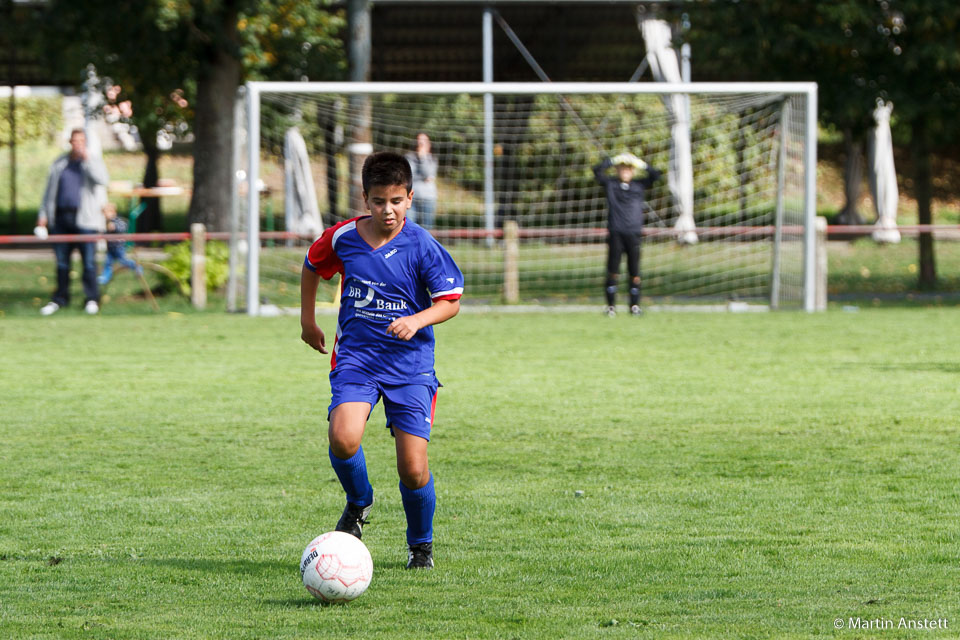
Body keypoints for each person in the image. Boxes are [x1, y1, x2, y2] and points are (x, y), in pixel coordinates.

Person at [300, 151, 464, 570]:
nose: (387, 210)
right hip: (357, 359)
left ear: (409, 198)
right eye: (378, 201)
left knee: (413, 469)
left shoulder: (422, 245)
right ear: (365, 199)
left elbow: (450, 301)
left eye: (395, 201)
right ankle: (359, 502)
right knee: (343, 437)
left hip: (410, 366)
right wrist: (307, 320)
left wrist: (417, 320)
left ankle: (420, 546)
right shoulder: (343, 237)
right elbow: (312, 265)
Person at [37, 128, 109, 316]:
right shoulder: (60, 163)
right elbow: (49, 191)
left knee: (89, 262)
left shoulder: (92, 161)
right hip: (61, 218)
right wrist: (43, 215)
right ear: (70, 142)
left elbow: (102, 180)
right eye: (75, 141)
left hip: (86, 220)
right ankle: (60, 299)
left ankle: (92, 299)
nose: (77, 145)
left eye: (81, 141)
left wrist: (88, 160)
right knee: (62, 263)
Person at [593, 152, 662, 317]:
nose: (625, 172)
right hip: (616, 232)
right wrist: (613, 160)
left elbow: (656, 175)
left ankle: (634, 306)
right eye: (622, 168)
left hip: (634, 233)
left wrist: (640, 163)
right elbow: (596, 171)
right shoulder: (611, 184)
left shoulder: (638, 185)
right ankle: (611, 307)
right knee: (613, 270)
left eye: (628, 169)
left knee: (634, 271)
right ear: (617, 170)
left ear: (632, 171)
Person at [97, 202, 143, 285]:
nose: (105, 215)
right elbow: (107, 234)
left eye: (107, 212)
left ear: (113, 212)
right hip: (110, 248)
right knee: (107, 263)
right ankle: (105, 277)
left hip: (118, 247)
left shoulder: (117, 220)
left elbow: (123, 227)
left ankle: (136, 266)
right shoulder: (107, 222)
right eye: (104, 213)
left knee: (123, 261)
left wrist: (115, 227)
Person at [404, 132, 438, 230]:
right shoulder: (408, 158)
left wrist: (422, 158)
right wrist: (423, 178)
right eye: (419, 141)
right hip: (411, 197)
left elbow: (428, 174)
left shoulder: (432, 159)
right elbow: (409, 175)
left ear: (429, 144)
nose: (421, 144)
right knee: (409, 227)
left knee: (426, 229)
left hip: (428, 198)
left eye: (423, 142)